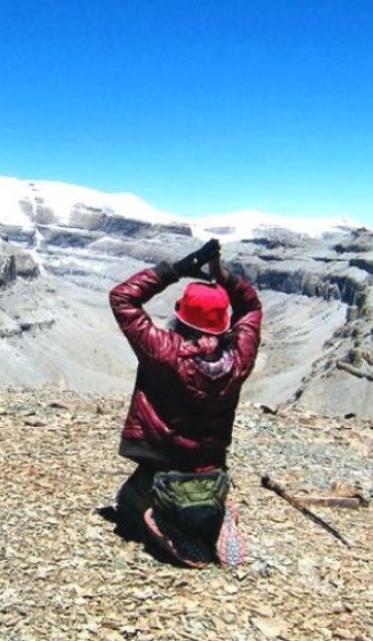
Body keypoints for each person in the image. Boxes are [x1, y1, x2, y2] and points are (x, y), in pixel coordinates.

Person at [109, 238, 262, 568]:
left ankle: (168, 525)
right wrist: (224, 277)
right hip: (212, 468)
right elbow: (250, 309)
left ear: (181, 317)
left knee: (126, 505)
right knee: (201, 490)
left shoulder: (164, 352)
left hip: (164, 465)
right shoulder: (238, 360)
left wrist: (176, 270)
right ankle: (214, 517)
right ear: (223, 324)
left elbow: (122, 298)